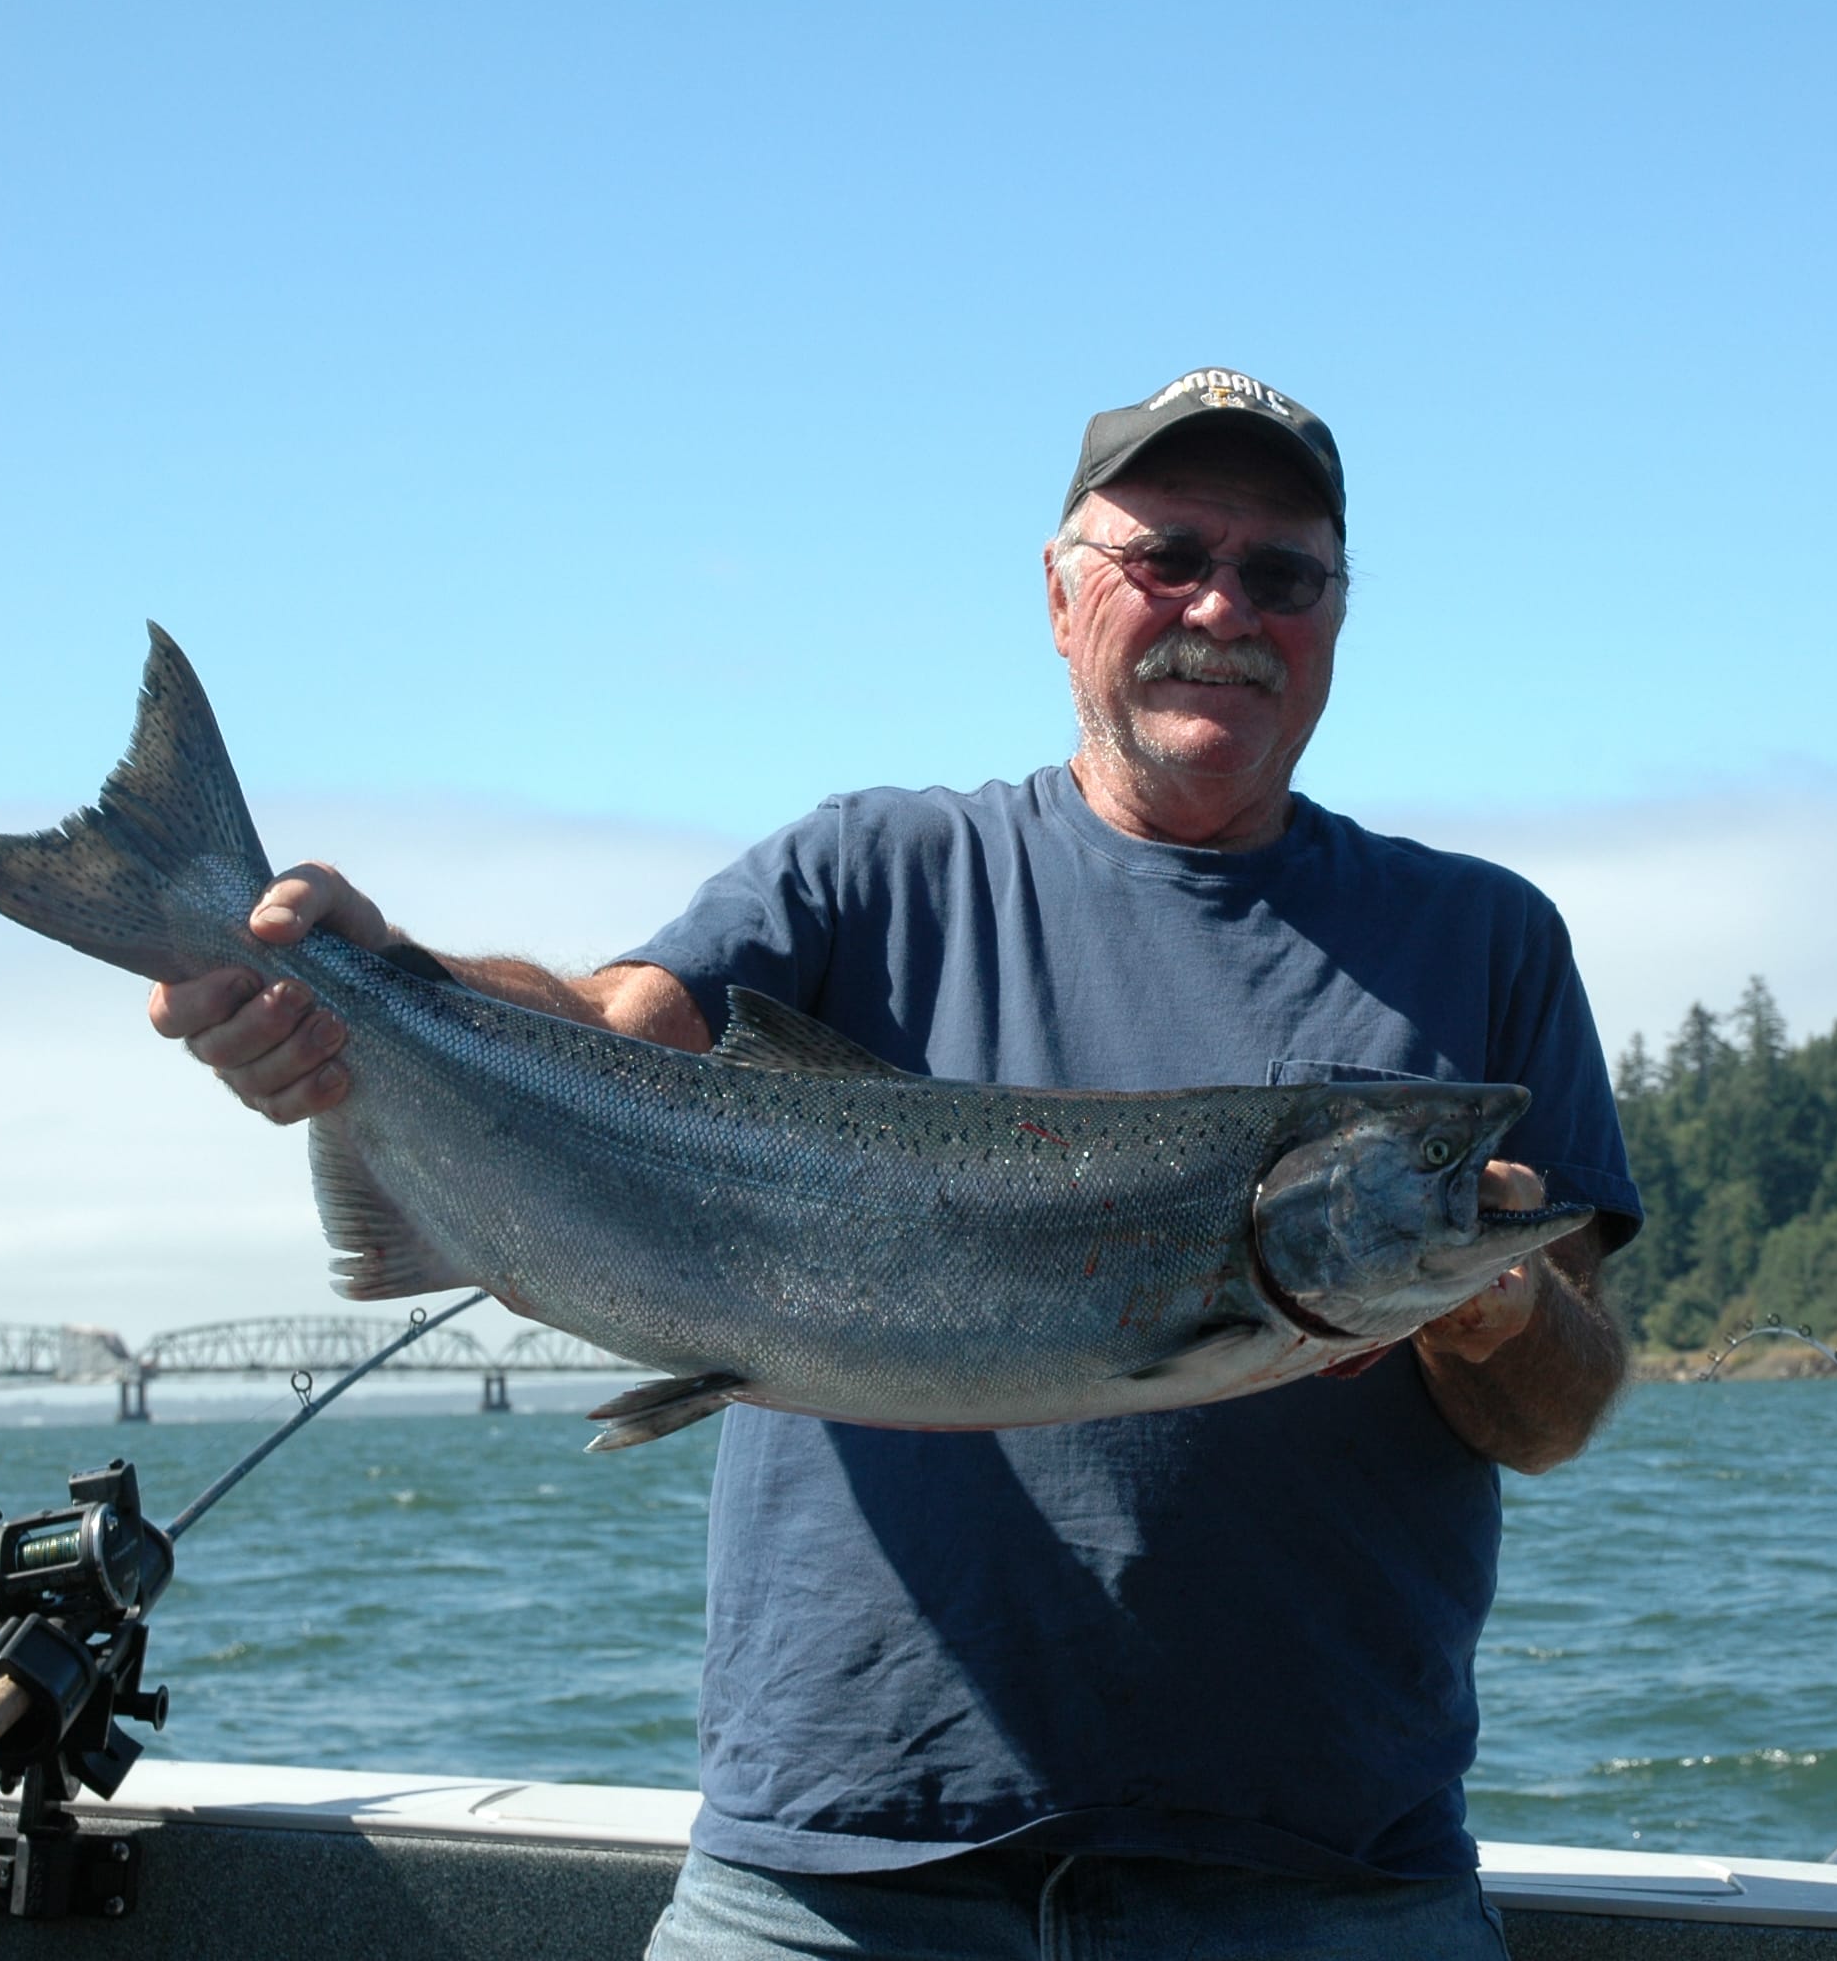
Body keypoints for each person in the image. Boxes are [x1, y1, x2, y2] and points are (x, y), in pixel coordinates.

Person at [148, 368, 1644, 1958]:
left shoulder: (1484, 942)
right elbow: (607, 1024)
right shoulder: (873, 871)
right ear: (1062, 596)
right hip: (838, 1873)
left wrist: (1486, 1306)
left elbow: (1560, 1411)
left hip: (1329, 1881)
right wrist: (378, 984)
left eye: (1282, 572)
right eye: (1169, 558)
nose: (1225, 605)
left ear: (1336, 616)